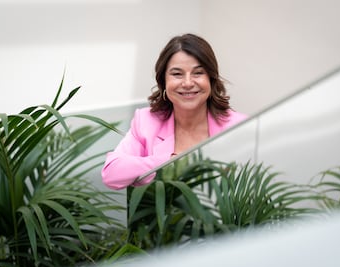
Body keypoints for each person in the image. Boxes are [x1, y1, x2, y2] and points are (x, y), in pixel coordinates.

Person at [102, 33, 248, 190]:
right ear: (163, 81)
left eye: (198, 73)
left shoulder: (240, 126)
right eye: (177, 74)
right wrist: (170, 162)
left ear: (211, 79)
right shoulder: (145, 121)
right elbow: (111, 173)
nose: (187, 83)